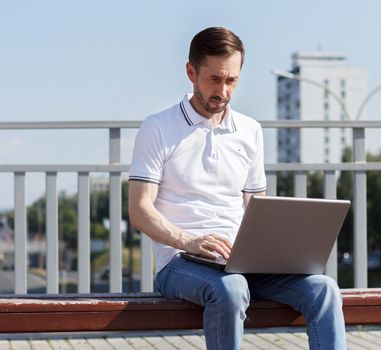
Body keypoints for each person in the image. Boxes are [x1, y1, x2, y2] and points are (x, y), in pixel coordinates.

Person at [128, 27, 347, 350]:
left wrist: (277, 252)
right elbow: (140, 210)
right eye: (214, 79)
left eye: (232, 80)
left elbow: (258, 206)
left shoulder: (249, 130)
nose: (224, 91)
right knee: (230, 289)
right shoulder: (158, 127)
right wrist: (190, 241)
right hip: (179, 262)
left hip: (242, 261)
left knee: (324, 290)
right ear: (191, 72)